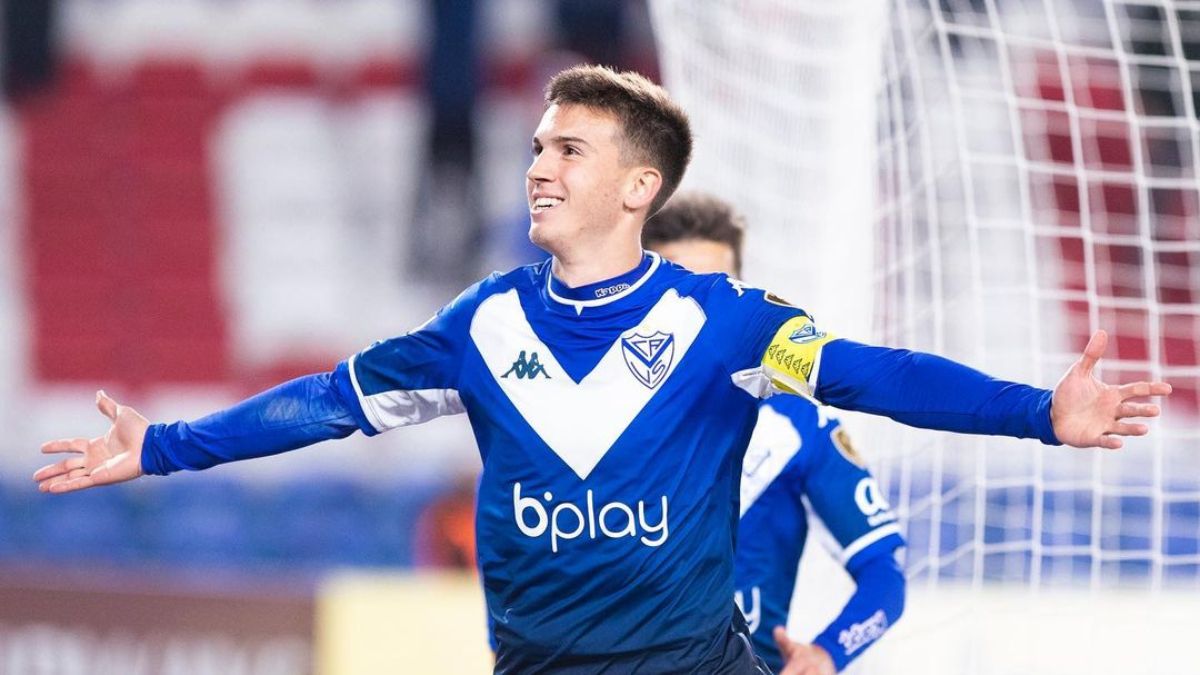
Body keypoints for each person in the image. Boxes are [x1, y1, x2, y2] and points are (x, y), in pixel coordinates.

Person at [34, 65, 1170, 674]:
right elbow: (330, 404)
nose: (537, 165)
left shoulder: (727, 321)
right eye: (536, 146)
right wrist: (166, 446)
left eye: (568, 149)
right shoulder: (478, 326)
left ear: (639, 189)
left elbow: (869, 374)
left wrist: (1038, 414)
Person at [643, 192, 905, 675]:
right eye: (683, 288)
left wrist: (830, 651)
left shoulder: (801, 428)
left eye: (716, 287)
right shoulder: (592, 410)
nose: (702, 309)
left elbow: (884, 575)